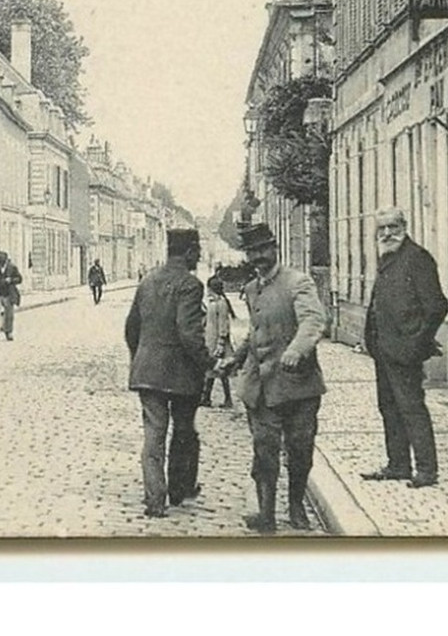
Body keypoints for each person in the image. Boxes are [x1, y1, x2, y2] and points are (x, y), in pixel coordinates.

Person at [217, 221, 327, 532]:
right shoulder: (252, 290)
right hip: (261, 389)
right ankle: (266, 515)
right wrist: (234, 360)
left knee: (300, 450)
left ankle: (295, 507)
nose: (257, 257)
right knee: (264, 452)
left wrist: (297, 350)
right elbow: (254, 335)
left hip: (298, 387)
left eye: (262, 250)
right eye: (252, 252)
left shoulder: (298, 283)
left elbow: (313, 321)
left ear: (274, 248)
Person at [360, 208, 448, 489]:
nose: (387, 233)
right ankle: (398, 465)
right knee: (388, 407)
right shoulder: (387, 258)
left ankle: (426, 470)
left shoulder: (417, 258)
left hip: (404, 350)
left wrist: (417, 342)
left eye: (393, 227)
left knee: (411, 408)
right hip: (383, 349)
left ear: (405, 226)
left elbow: (437, 306)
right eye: (382, 228)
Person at [124, 228, 210, 518]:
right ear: (187, 253)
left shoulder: (147, 281)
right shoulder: (191, 285)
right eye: (197, 250)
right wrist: (206, 363)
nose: (199, 255)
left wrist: (141, 357)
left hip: (147, 372)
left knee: (153, 435)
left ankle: (155, 499)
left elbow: (131, 328)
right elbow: (189, 334)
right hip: (181, 374)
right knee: (183, 430)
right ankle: (179, 489)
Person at [201, 274, 235, 409]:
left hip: (218, 341)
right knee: (211, 369)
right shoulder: (212, 303)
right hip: (210, 340)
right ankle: (206, 398)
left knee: (221, 371)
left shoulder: (221, 303)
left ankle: (228, 399)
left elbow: (223, 324)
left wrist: (221, 342)